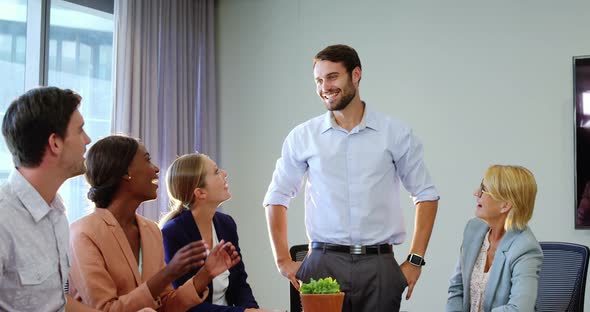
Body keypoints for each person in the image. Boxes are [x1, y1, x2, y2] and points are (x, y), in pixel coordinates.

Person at [263, 44, 439, 312]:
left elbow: (425, 195)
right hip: (323, 264)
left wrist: (415, 260)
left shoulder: (395, 133)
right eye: (318, 80)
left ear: (356, 74)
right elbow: (276, 197)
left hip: (379, 266)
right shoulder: (303, 136)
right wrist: (281, 259)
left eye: (332, 77)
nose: (324, 87)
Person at [68, 135, 241, 311]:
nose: (156, 169)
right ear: (126, 173)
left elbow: (166, 306)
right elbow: (105, 309)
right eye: (147, 160)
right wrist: (168, 274)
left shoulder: (150, 230)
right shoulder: (84, 233)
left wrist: (205, 274)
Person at [0, 87, 95, 311]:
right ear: (55, 143)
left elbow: (57, 304)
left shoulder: (56, 212)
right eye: (80, 130)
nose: (88, 140)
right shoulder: (4, 220)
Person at [160, 153, 262, 312]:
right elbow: (184, 305)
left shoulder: (226, 224)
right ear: (200, 193)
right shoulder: (173, 233)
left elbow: (239, 284)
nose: (225, 173)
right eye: (216, 172)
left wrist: (253, 309)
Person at [446, 165, 543, 312]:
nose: (476, 193)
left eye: (484, 190)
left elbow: (519, 309)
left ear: (505, 205)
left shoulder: (525, 248)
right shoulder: (473, 230)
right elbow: (456, 289)